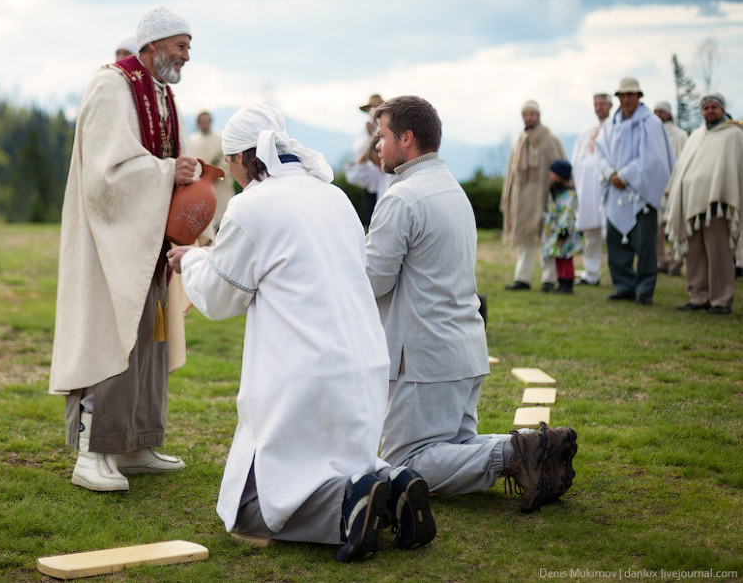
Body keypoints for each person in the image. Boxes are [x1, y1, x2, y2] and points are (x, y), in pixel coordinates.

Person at [167, 104, 436, 563]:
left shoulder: (252, 207)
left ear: (239, 158)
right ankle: (392, 483)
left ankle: (347, 505)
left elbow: (219, 296)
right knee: (345, 458)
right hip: (365, 365)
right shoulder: (334, 197)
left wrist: (189, 258)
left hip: (304, 375)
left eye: (230, 165)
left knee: (251, 511)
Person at [365, 96, 577, 514]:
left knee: (403, 463)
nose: (378, 146)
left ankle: (513, 454)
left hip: (423, 356)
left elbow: (373, 279)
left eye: (382, 136)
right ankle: (536, 449)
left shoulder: (402, 198)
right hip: (463, 346)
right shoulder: (451, 188)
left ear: (406, 139)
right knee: (455, 447)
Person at [49, 5, 198, 492]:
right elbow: (104, 174)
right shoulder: (112, 85)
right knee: (110, 339)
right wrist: (163, 173)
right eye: (180, 46)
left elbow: (153, 161)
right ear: (152, 45)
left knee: (150, 344)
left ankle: (135, 443)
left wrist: (180, 174)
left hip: (147, 242)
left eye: (189, 47)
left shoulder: (160, 93)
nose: (187, 56)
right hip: (110, 244)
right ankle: (92, 454)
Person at [596, 77, 676, 306]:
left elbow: (654, 159)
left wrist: (624, 175)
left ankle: (645, 288)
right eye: (623, 95)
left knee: (645, 245)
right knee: (616, 244)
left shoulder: (650, 123)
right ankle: (624, 286)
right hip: (616, 192)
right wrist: (611, 173)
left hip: (640, 193)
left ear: (639, 97)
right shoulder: (611, 125)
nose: (627, 99)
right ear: (618, 98)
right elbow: (600, 154)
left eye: (631, 95)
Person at [664, 93, 743, 315]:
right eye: (705, 108)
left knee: (719, 254)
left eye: (713, 107)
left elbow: (734, 170)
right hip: (692, 206)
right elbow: (682, 170)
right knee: (695, 253)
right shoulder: (696, 136)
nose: (709, 111)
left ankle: (721, 299)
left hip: (718, 205)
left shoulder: (733, 135)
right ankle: (699, 296)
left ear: (722, 109)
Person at [501, 100, 567, 291]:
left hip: (544, 196)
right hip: (521, 197)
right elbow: (510, 172)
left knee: (546, 237)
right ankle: (522, 277)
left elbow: (560, 167)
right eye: (526, 114)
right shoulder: (518, 140)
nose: (529, 118)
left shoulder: (550, 139)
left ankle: (549, 278)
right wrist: (508, 194)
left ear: (538, 115)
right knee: (523, 238)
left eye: (532, 114)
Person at [571, 93, 611, 286]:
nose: (599, 107)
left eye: (602, 104)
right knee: (591, 234)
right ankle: (591, 273)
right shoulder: (586, 131)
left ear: (610, 105)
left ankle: (621, 276)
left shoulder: (615, 128)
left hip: (606, 189)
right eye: (596, 104)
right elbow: (576, 161)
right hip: (587, 190)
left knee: (614, 233)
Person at [346, 94, 395, 225]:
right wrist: (370, 139)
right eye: (373, 107)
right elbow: (358, 152)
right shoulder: (364, 131)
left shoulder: (390, 127)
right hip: (372, 171)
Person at [653, 101, 689, 276]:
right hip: (657, 185)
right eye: (656, 112)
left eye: (661, 112)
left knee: (674, 222)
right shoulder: (652, 134)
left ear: (669, 114)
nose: (658, 115)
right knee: (658, 226)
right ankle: (661, 259)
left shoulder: (680, 135)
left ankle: (676, 259)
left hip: (674, 184)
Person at [188, 110, 234, 235]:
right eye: (203, 122)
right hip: (201, 188)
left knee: (223, 223)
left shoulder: (221, 139)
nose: (205, 124)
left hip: (220, 189)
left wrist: (215, 175)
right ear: (198, 123)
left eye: (207, 121)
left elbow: (228, 163)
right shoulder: (192, 141)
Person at [542, 160, 582, 294]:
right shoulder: (554, 192)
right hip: (553, 231)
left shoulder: (569, 195)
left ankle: (567, 283)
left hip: (564, 232)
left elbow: (568, 213)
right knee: (558, 257)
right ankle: (560, 282)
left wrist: (563, 231)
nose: (550, 175)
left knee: (566, 258)